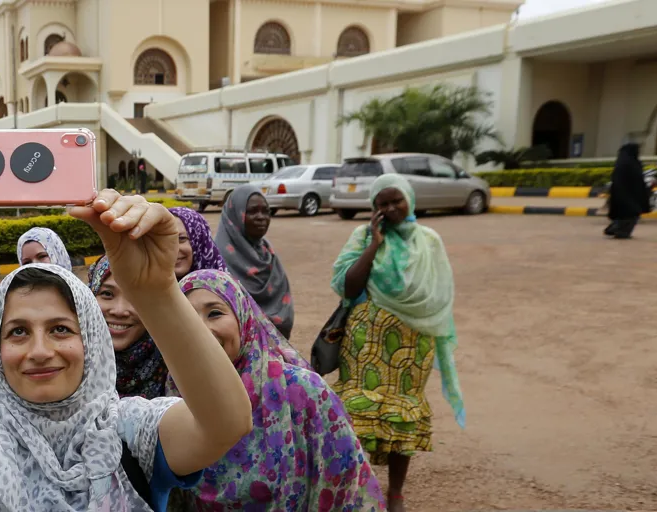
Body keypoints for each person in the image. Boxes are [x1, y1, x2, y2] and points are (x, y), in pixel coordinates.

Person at [0, 132, 252, 509]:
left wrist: (157, 292)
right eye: (18, 332)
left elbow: (225, 423)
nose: (40, 352)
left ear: (91, 341)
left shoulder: (129, 434)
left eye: (60, 329)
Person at [167, 269, 385, 511]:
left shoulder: (303, 393)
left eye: (215, 313)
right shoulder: (172, 397)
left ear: (243, 319)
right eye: (187, 317)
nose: (200, 330)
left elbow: (347, 488)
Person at [330, 174, 465, 512]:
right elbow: (348, 287)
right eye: (382, 203)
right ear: (373, 209)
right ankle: (357, 488)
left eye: (396, 201)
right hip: (365, 345)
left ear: (410, 200)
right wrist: (374, 244)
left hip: (413, 345)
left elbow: (440, 295)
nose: (390, 209)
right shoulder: (362, 236)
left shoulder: (429, 241)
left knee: (402, 415)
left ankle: (396, 494)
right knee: (359, 414)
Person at [216, 184, 294, 339]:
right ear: (235, 215)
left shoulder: (267, 253)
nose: (261, 217)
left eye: (266, 211)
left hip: (276, 355)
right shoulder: (217, 259)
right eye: (252, 211)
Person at [88, 255, 168, 399]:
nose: (119, 311)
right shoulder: (69, 360)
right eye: (107, 294)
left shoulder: (176, 363)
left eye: (135, 296)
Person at [605, 142, 651, 239]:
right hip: (631, 195)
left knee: (625, 214)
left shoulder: (622, 162)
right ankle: (621, 231)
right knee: (631, 214)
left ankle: (617, 228)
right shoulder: (631, 163)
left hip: (621, 194)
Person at [168, 207, 228, 280]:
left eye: (181, 239)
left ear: (200, 241)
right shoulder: (152, 287)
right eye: (164, 241)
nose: (173, 250)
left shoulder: (221, 286)